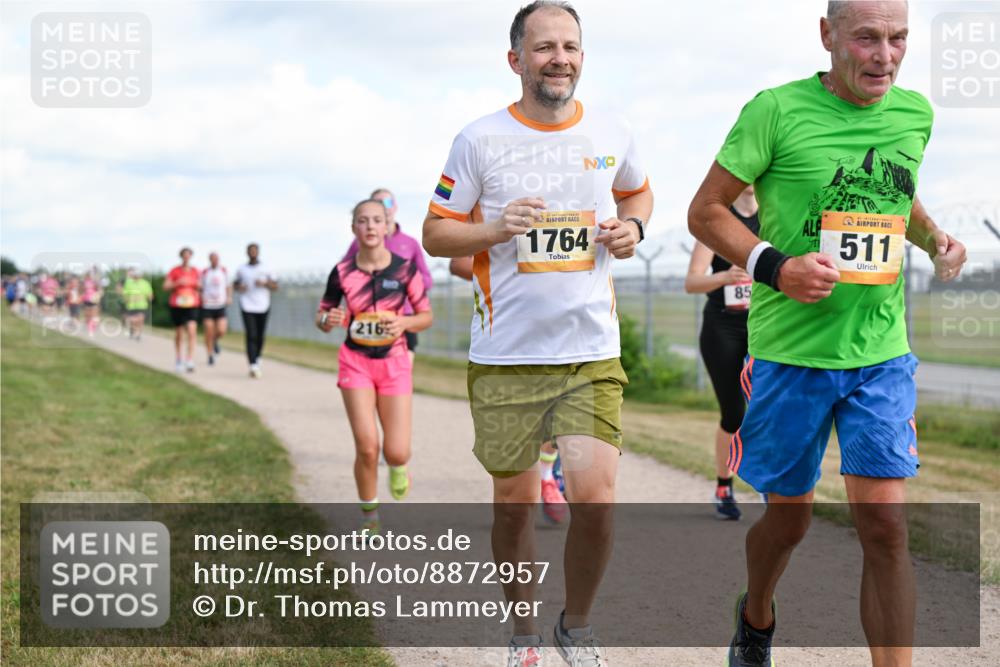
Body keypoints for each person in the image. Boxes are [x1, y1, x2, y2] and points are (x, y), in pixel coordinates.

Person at [687, 3, 968, 665]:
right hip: (790, 355)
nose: (885, 56)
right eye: (866, 38)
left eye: (898, 38)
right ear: (828, 35)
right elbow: (705, 211)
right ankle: (756, 614)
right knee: (790, 520)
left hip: (879, 354)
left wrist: (934, 238)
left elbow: (895, 192)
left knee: (886, 526)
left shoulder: (915, 114)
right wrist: (775, 267)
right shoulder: (776, 111)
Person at [423, 3, 653, 665]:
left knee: (596, 502)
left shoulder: (612, 130)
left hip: (590, 354)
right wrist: (495, 228)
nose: (560, 59)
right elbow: (435, 233)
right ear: (516, 59)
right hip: (507, 358)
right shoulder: (479, 140)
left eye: (571, 46)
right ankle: (523, 635)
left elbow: (638, 194)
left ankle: (575, 628)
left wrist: (633, 228)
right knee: (514, 506)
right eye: (545, 47)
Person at [317, 199, 432, 533]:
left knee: (396, 451)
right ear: (353, 227)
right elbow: (322, 315)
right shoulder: (342, 272)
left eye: (376, 220)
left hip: (394, 363)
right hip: (355, 362)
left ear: (387, 226)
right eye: (363, 220)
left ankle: (398, 465)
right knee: (368, 447)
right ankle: (370, 517)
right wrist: (327, 320)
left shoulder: (405, 269)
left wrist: (404, 323)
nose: (369, 226)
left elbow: (425, 316)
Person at [451, 255, 569, 524]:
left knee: (559, 411)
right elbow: (457, 263)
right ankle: (537, 480)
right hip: (510, 334)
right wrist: (513, 272)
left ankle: (548, 476)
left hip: (562, 328)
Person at [684, 185, 759, 521]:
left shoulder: (773, 219)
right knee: (734, 414)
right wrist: (726, 276)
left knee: (769, 408)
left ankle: (771, 485)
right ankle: (724, 487)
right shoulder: (717, 221)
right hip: (722, 327)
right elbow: (692, 282)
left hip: (763, 327)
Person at [343, 188, 433, 363]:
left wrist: (403, 286)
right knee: (366, 369)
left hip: (404, 316)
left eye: (388, 202)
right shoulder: (358, 243)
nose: (384, 206)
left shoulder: (410, 243)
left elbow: (427, 279)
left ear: (396, 206)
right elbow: (344, 273)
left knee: (403, 369)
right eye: (378, 203)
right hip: (369, 316)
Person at [235, 243, 278, 378]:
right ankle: (253, 364)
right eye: (250, 251)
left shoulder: (266, 268)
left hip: (263, 305)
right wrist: (240, 287)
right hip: (247, 305)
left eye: (255, 251)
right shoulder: (241, 269)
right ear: (247, 253)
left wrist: (265, 283)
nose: (252, 253)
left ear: (258, 252)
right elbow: (235, 285)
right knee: (251, 334)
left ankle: (257, 357)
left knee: (260, 334)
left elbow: (275, 286)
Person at [163, 248, 201, 373]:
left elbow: (201, 286)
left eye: (188, 255)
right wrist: (178, 283)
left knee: (192, 331)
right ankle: (179, 359)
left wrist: (195, 284)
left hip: (192, 304)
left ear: (191, 256)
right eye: (184, 255)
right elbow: (165, 286)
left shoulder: (195, 271)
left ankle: (189, 359)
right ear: (181, 256)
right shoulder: (174, 271)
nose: (186, 257)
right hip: (177, 305)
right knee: (179, 333)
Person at [200, 252, 231, 366]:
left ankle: (215, 340)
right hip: (208, 305)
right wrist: (201, 298)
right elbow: (200, 287)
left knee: (221, 330)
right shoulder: (205, 272)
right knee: (209, 330)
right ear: (210, 260)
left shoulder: (223, 271)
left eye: (216, 259)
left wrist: (229, 297)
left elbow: (228, 286)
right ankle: (210, 355)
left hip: (220, 304)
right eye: (212, 259)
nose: (215, 261)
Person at [121, 268, 154, 341]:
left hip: (142, 305)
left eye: (138, 275)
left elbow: (150, 293)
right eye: (135, 275)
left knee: (140, 319)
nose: (137, 276)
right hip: (131, 305)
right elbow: (125, 293)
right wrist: (126, 299)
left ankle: (138, 334)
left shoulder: (145, 283)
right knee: (133, 321)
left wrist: (150, 297)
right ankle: (132, 330)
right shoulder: (129, 283)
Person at [81, 271, 102, 337]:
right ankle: (91, 326)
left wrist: (97, 295)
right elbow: (82, 290)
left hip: (92, 299)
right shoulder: (85, 282)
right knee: (89, 316)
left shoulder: (93, 282)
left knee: (92, 315)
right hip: (87, 300)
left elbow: (98, 290)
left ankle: (91, 328)